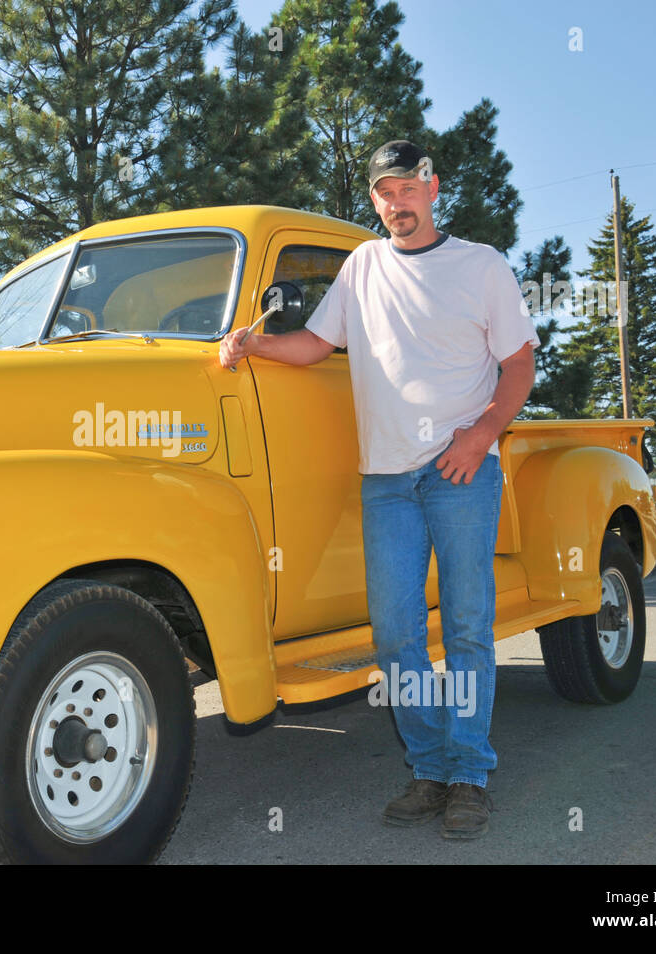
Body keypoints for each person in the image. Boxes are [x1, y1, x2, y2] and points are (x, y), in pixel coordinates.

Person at [219, 140, 538, 840]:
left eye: (408, 187)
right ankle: (427, 766)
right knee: (396, 634)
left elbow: (519, 363)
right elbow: (313, 345)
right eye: (384, 192)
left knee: (464, 626)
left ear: (432, 187)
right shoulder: (362, 268)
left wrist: (481, 433)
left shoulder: (480, 266)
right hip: (387, 481)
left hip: (460, 471)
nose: (398, 202)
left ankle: (469, 775)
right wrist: (252, 343)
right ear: (375, 201)